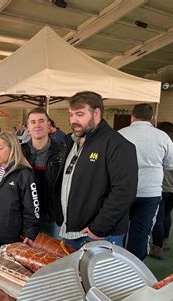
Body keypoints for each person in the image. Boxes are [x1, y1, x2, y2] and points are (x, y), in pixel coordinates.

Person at [59, 91, 138, 249]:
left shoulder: (117, 145)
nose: (74, 120)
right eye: (71, 114)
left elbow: (124, 191)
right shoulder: (73, 142)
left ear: (96, 113)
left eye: (80, 114)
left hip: (99, 236)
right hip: (72, 232)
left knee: (100, 275)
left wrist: (99, 227)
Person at [119, 104, 173, 260]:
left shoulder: (120, 134)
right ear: (151, 118)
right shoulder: (161, 136)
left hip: (123, 191)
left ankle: (117, 263)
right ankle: (136, 267)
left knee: (119, 229)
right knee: (141, 231)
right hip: (150, 192)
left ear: (132, 116)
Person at [21, 108, 65, 238]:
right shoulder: (19, 152)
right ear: (28, 127)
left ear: (49, 125)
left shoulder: (62, 152)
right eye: (33, 122)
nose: (37, 125)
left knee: (55, 256)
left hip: (52, 218)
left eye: (41, 121)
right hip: (25, 217)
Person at [150, 122, 173, 259]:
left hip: (161, 187)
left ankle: (157, 248)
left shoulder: (158, 146)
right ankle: (165, 241)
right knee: (166, 214)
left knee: (158, 218)